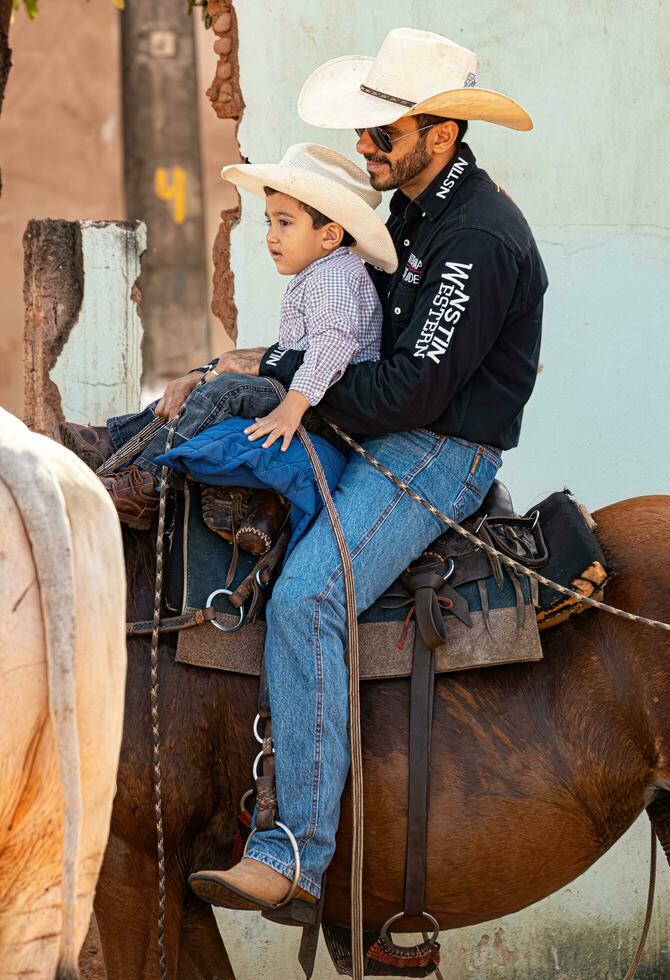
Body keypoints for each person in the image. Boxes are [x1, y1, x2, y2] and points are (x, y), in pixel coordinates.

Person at [183, 27, 548, 914]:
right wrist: (258, 365)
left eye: (382, 134)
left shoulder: (477, 240)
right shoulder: (416, 211)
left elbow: (411, 392)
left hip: (434, 451)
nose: (364, 146)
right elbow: (348, 348)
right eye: (365, 131)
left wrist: (276, 379)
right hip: (372, 428)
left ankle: (296, 853)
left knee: (309, 595)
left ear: (442, 135)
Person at [74, 144, 397, 537]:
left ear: (329, 234)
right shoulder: (323, 270)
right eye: (269, 223)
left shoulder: (334, 277)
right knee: (213, 384)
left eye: (285, 223)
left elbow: (333, 344)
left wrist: (292, 407)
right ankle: (118, 440)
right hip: (310, 396)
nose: (271, 237)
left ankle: (146, 483)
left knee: (225, 393)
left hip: (324, 409)